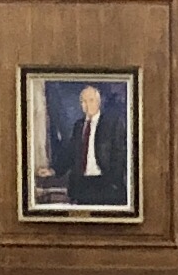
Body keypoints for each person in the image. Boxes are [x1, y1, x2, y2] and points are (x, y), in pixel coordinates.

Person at [41, 79, 126, 211]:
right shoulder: (79, 126)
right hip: (82, 185)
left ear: (98, 102)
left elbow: (120, 155)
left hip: (105, 184)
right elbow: (70, 153)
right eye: (83, 101)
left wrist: (113, 181)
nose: (87, 105)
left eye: (91, 100)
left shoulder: (112, 124)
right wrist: (54, 170)